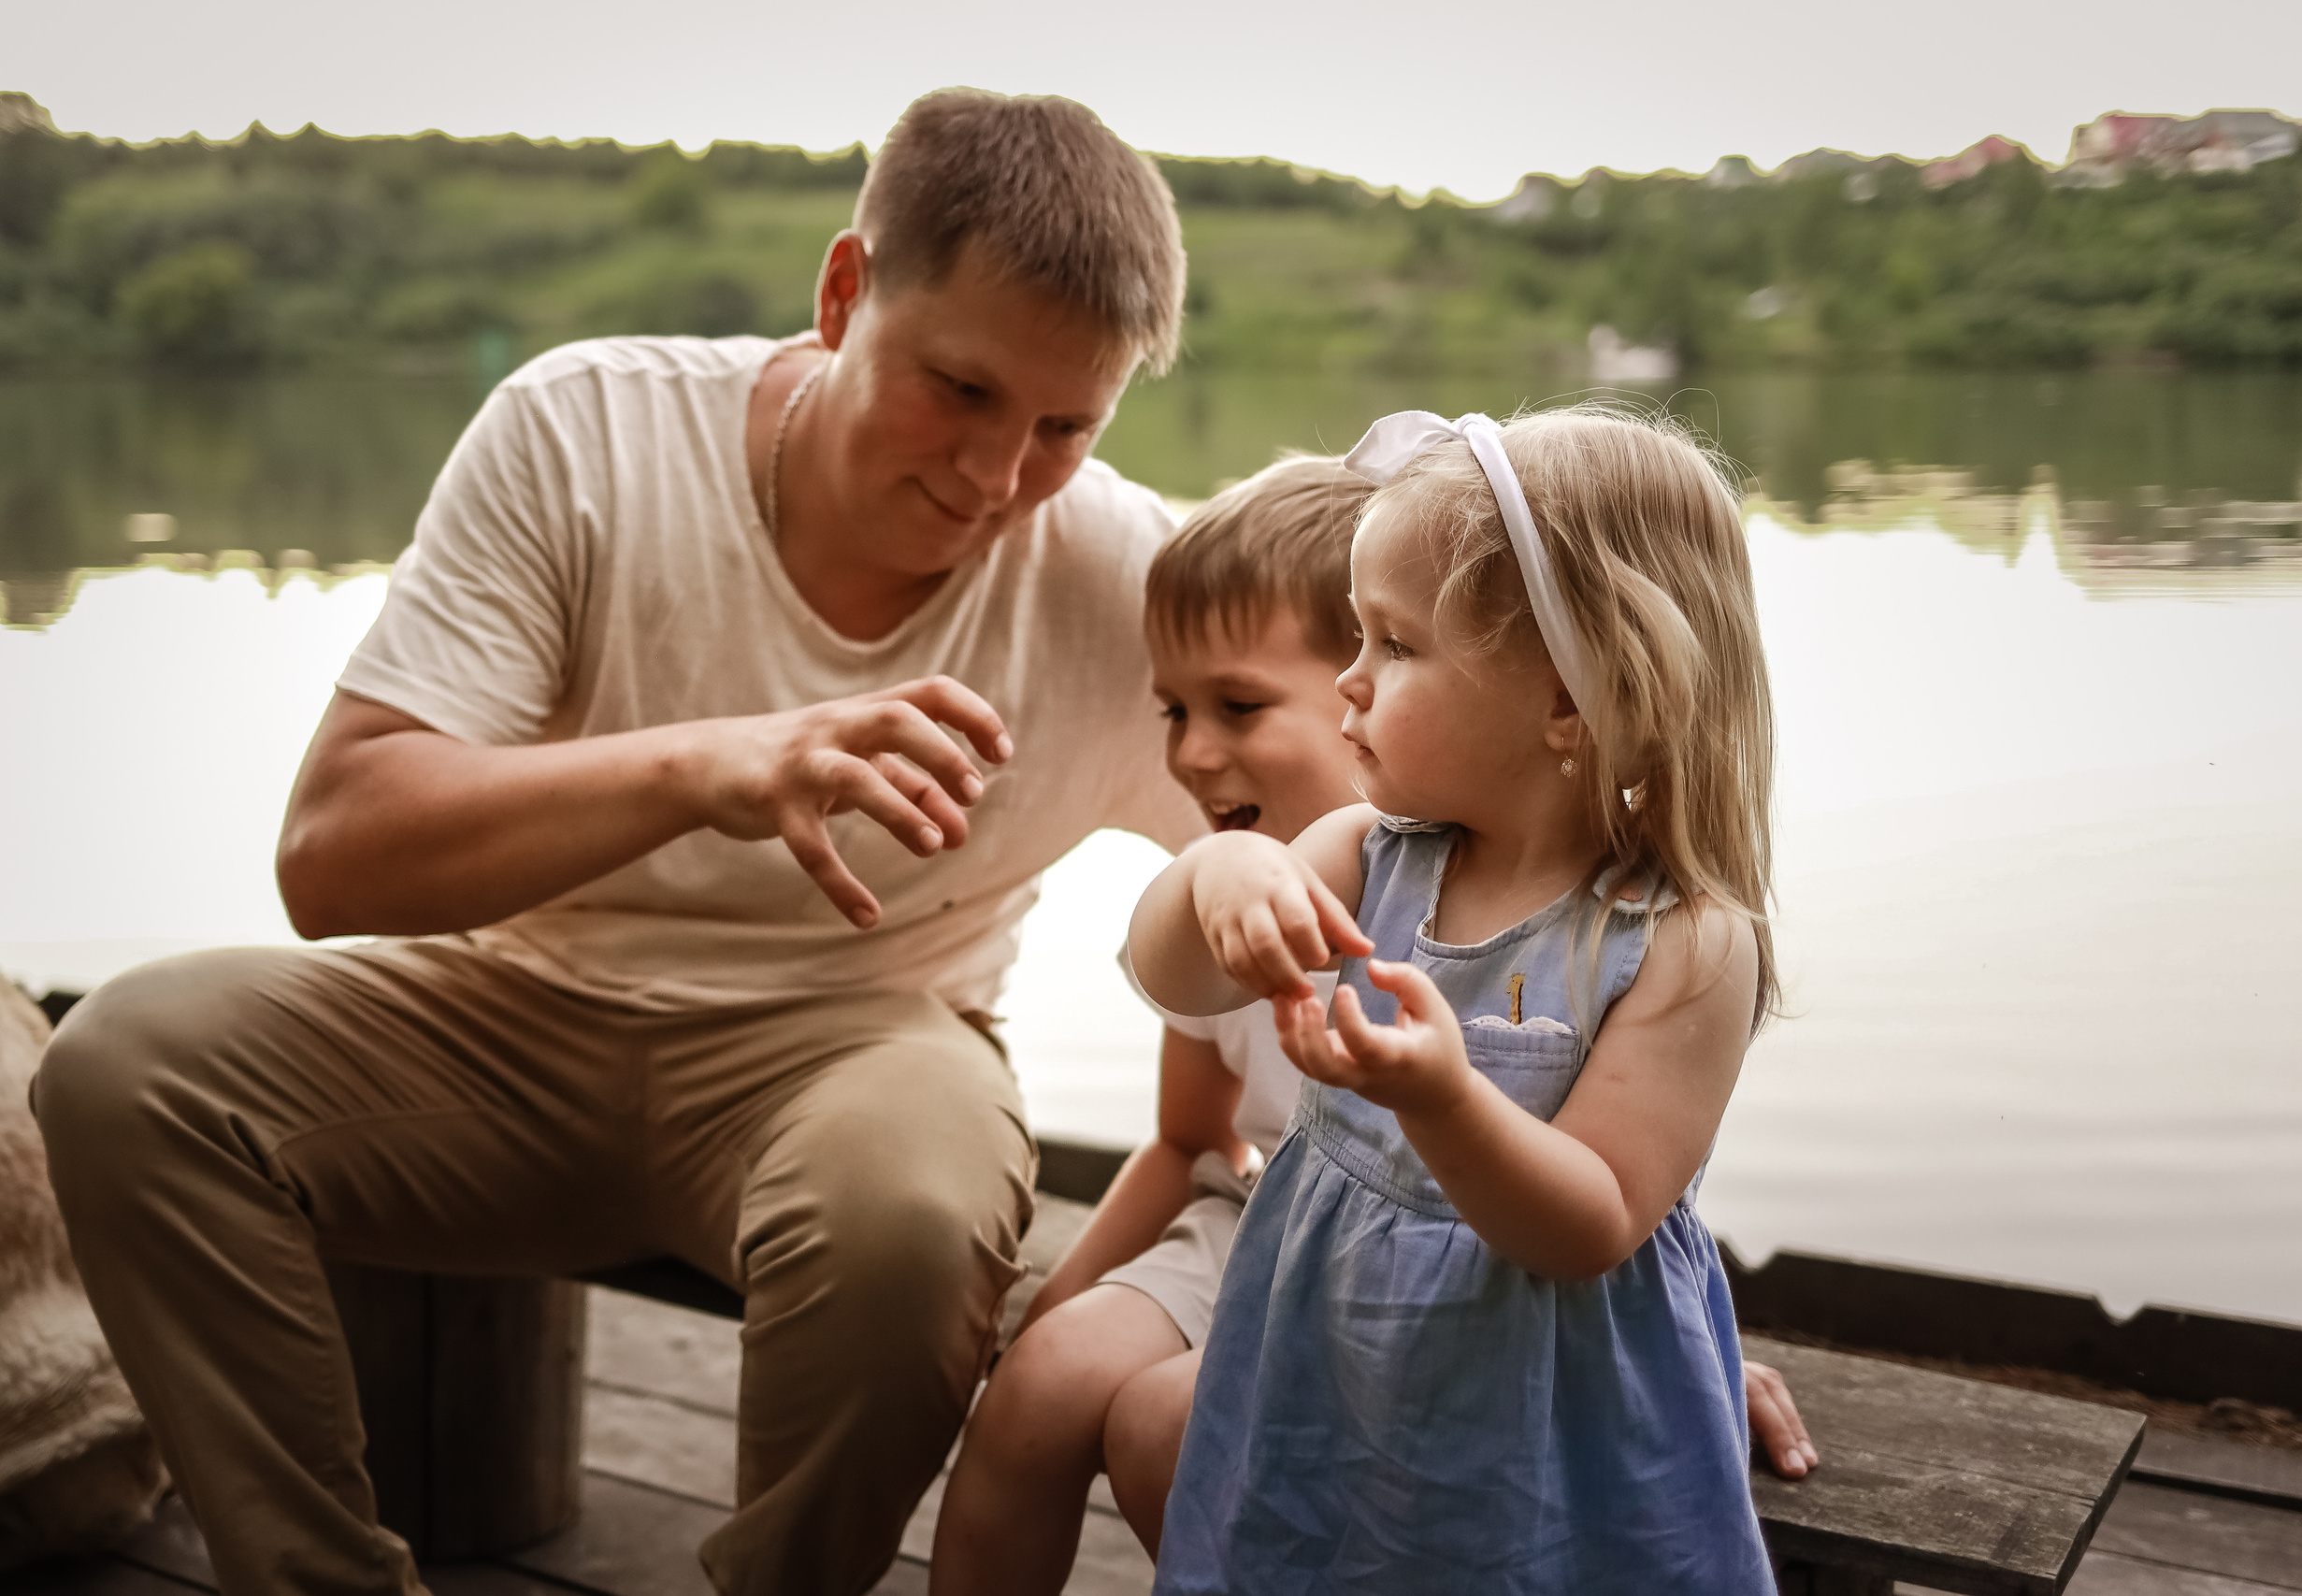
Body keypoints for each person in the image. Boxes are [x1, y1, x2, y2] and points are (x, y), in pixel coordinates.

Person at [33, 90, 1202, 1596]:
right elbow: (335, 857)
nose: (996, 476)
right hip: (498, 1019)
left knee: (915, 1215)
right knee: (124, 1064)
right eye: (960, 390)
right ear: (845, 293)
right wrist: (709, 764)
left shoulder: (1123, 572)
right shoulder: (585, 425)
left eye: (1064, 426)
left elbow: (1338, 824)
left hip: (860, 1046)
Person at [934, 453, 1815, 1592]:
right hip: (1326, 1354)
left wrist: (1441, 1099)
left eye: (1392, 648)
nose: (1351, 682)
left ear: (1565, 698)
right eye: (1353, 641)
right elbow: (1179, 983)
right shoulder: (1365, 857)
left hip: (1532, 1396)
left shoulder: (1684, 942)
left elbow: (1592, 1220)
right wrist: (1222, 876)